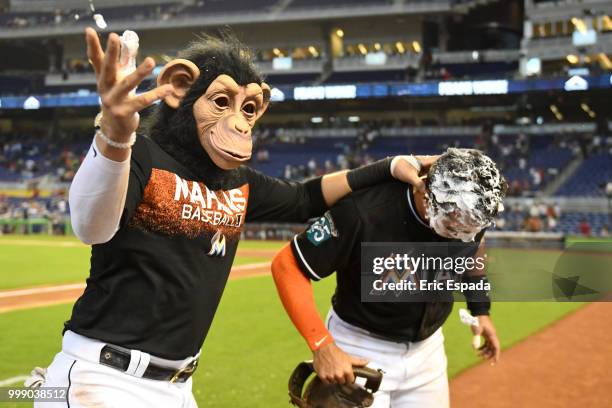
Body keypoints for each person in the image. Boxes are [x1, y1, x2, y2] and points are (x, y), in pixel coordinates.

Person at [31, 28, 428, 408]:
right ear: (180, 89)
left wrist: (387, 167)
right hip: (105, 377)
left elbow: (305, 199)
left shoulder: (238, 183)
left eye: (249, 109)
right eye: (222, 102)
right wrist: (116, 136)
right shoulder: (144, 157)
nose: (240, 122)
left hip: (177, 387)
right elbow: (91, 227)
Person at [272, 148, 506, 408]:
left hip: (428, 352)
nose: (465, 235)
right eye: (453, 226)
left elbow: (475, 247)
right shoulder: (363, 211)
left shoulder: (472, 211)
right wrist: (322, 346)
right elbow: (287, 264)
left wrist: (480, 309)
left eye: (472, 229)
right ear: (425, 191)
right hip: (359, 349)